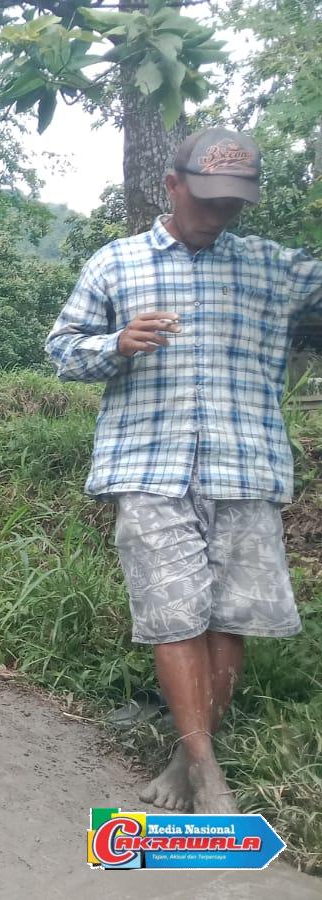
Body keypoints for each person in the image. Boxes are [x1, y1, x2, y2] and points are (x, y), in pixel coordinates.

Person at [47, 128, 322, 815]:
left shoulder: (275, 268)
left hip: (246, 464)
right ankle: (206, 769)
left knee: (227, 619)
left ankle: (186, 755)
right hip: (149, 464)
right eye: (207, 199)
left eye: (233, 203)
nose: (219, 214)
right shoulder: (116, 262)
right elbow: (62, 350)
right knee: (174, 617)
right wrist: (117, 343)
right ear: (172, 185)